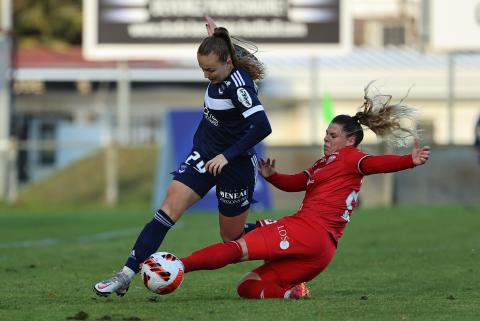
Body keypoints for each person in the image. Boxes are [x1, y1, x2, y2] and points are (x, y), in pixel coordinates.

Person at [177, 84, 431, 299]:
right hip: (321, 251)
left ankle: (178, 266)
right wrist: (273, 177)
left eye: (332, 135)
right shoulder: (325, 163)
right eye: (326, 134)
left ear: (349, 141)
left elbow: (375, 164)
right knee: (249, 287)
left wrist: (410, 160)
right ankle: (292, 292)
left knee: (236, 248)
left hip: (307, 231)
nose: (326, 139)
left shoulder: (350, 157)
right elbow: (298, 182)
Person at [94, 17, 272, 297]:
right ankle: (127, 273)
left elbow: (263, 126)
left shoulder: (239, 87)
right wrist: (215, 35)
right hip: (204, 156)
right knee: (168, 208)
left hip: (233, 164)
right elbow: (226, 46)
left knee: (231, 238)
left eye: (210, 70)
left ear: (227, 63)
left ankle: (280, 235)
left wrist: (227, 156)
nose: (205, 75)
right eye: (202, 68)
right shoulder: (227, 57)